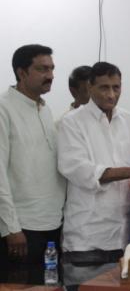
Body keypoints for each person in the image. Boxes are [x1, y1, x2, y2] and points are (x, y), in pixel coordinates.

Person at [57, 62, 130, 283]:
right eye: (104, 87)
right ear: (90, 87)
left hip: (125, 238)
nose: (111, 94)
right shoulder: (72, 122)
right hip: (86, 237)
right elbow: (78, 169)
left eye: (117, 87)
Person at [0, 44, 66, 269]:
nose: (50, 76)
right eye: (42, 69)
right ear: (21, 72)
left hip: (51, 224)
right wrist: (11, 228)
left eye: (52, 69)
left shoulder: (45, 110)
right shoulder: (3, 109)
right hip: (20, 230)